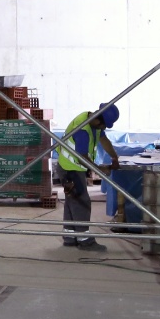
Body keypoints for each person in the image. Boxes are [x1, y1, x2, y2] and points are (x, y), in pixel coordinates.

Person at [57, 103, 120, 250]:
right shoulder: (83, 130)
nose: (104, 129)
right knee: (82, 202)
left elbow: (104, 141)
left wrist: (114, 158)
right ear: (99, 121)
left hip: (72, 167)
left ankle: (70, 236)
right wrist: (99, 169)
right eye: (104, 126)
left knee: (72, 201)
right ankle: (85, 240)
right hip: (70, 169)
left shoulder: (93, 122)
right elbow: (81, 157)